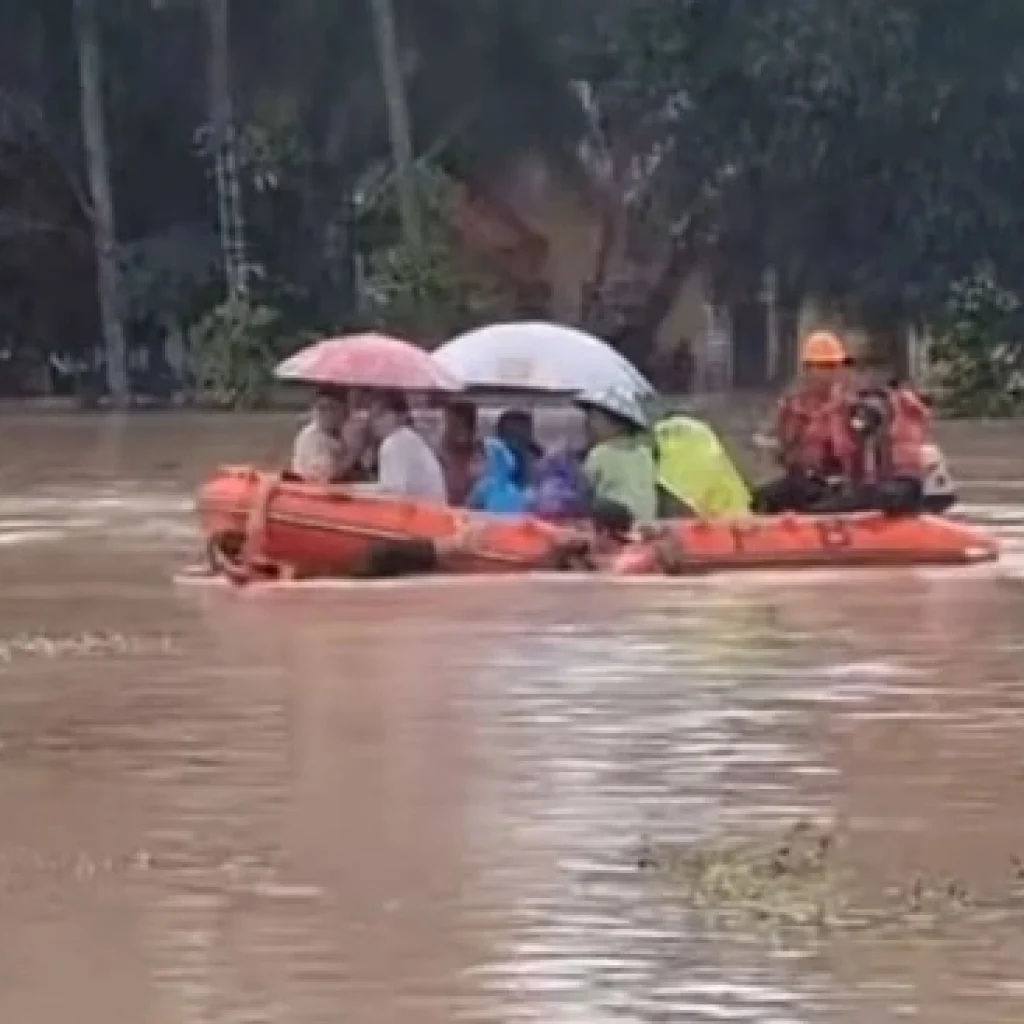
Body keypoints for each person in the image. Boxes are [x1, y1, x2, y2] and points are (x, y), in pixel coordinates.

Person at [751, 331, 855, 514]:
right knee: (760, 499)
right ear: (807, 369)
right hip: (800, 481)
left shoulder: (850, 405)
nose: (829, 374)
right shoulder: (791, 406)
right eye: (823, 367)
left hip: (838, 484)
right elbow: (774, 444)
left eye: (834, 367)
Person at [575, 386, 659, 523]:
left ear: (619, 424)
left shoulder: (599, 455)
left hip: (615, 526)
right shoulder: (645, 453)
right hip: (645, 526)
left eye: (596, 419)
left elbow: (584, 490)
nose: (589, 424)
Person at [359, 390, 448, 502]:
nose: (374, 422)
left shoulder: (395, 443)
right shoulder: (408, 438)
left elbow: (392, 494)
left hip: (422, 514)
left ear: (399, 416)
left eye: (379, 415)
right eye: (372, 416)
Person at [290, 387, 369, 483]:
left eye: (332, 408)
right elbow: (329, 476)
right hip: (313, 492)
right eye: (321, 408)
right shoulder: (314, 437)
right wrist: (353, 453)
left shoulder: (340, 432)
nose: (327, 413)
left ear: (345, 410)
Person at [466, 436, 529, 515]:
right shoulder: (515, 491)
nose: (474, 467)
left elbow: (468, 516)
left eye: (479, 460)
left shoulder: (484, 488)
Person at [439, 400, 483, 506]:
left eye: (454, 426)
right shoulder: (437, 456)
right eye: (446, 425)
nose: (445, 431)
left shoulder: (480, 461)